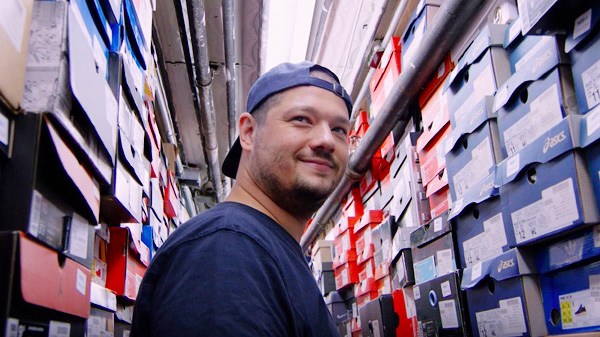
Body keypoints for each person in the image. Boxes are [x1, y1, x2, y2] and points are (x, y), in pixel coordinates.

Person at [131, 61, 353, 336]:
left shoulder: (263, 248)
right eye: (302, 119)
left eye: (339, 129)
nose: (326, 140)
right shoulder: (227, 249)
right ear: (248, 132)